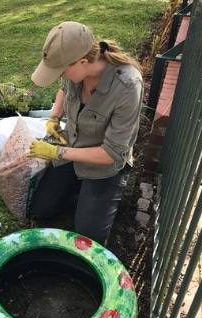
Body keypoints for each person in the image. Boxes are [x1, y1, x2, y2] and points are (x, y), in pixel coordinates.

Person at [28, 21, 143, 245]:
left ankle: (93, 193)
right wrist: (54, 118)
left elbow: (111, 153)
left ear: (82, 62)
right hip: (74, 145)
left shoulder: (128, 86)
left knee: (87, 237)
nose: (61, 75)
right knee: (40, 209)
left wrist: (58, 152)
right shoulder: (74, 70)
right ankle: (80, 188)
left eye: (62, 71)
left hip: (103, 165)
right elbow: (64, 89)